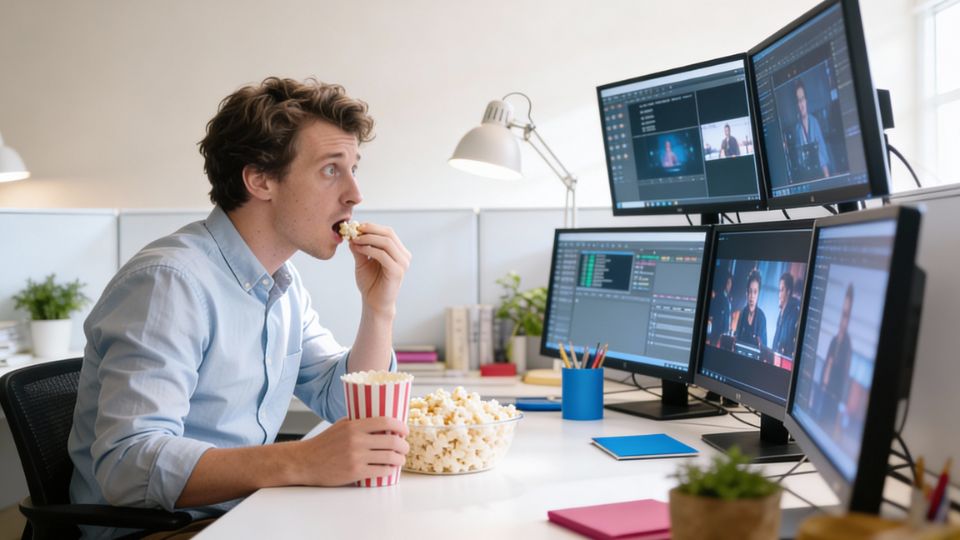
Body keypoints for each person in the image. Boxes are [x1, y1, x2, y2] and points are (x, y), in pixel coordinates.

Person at [67, 77, 412, 539]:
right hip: (161, 531)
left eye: (353, 168)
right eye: (331, 169)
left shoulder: (282, 284)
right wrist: (301, 460)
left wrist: (379, 308)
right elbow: (128, 466)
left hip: (244, 517)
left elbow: (343, 402)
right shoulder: (169, 283)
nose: (355, 193)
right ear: (260, 179)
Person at [819, 284, 854, 429]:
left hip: (834, 400)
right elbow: (826, 365)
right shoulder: (834, 340)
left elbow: (845, 376)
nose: (843, 320)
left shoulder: (847, 345)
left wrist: (842, 404)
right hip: (824, 394)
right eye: (842, 315)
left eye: (847, 316)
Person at [793, 79, 830, 178]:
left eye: (803, 99)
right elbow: (799, 158)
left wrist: (827, 175)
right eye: (798, 101)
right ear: (796, 105)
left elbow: (822, 151)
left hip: (819, 173)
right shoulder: (797, 129)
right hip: (807, 176)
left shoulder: (814, 122)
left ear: (806, 100)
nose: (801, 104)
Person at [734, 269, 767, 349]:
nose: (752, 296)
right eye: (750, 291)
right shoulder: (742, 314)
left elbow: (764, 348)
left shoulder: (761, 317)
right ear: (747, 293)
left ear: (758, 294)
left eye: (755, 292)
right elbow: (736, 339)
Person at [771, 272, 801, 357]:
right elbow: (775, 343)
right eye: (779, 290)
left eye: (782, 290)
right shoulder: (781, 314)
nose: (779, 295)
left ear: (788, 291)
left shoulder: (794, 315)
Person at [709, 273, 733, 344]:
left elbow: (727, 316)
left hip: (724, 332)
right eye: (728, 283)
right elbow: (716, 315)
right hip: (717, 332)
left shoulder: (729, 298)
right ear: (725, 283)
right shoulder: (719, 296)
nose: (729, 286)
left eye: (730, 283)